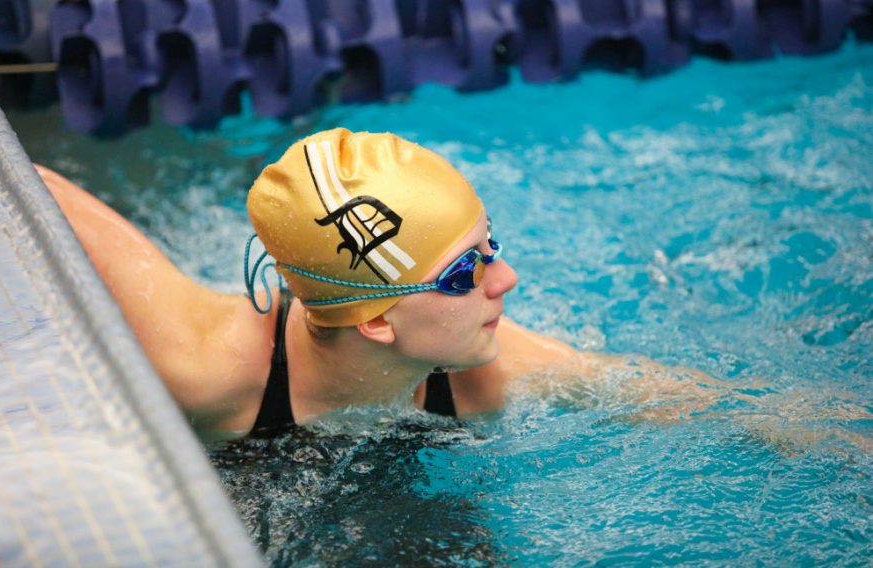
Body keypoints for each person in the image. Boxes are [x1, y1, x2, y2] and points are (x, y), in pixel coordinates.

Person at [38, 127, 722, 440]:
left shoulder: (491, 368)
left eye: (492, 246)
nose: (506, 279)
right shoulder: (202, 368)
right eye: (465, 271)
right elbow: (34, 192)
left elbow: (700, 405)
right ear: (375, 321)